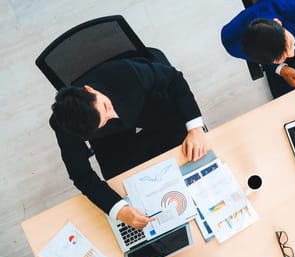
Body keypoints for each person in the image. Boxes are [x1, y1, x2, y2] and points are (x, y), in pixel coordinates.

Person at [50, 58, 209, 229]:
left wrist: (195, 129)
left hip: (150, 110)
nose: (110, 115)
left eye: (105, 106)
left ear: (90, 90)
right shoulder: (65, 126)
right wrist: (119, 210)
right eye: (103, 120)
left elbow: (173, 78)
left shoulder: (124, 73)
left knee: (193, 157)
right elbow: (81, 175)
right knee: (129, 189)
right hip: (111, 141)